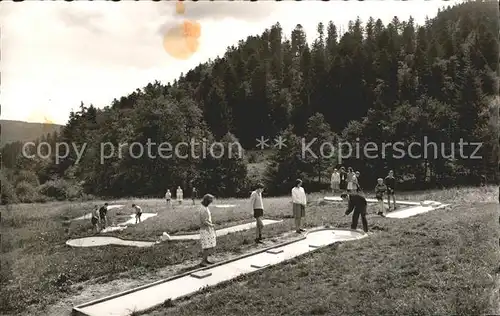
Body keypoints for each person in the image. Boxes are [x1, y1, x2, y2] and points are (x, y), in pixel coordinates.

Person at [199, 194, 216, 266]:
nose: (211, 203)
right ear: (207, 201)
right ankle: (203, 261)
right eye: (210, 201)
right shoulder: (203, 209)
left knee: (209, 245)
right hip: (205, 230)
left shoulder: (205, 208)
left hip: (208, 229)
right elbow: (204, 221)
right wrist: (211, 225)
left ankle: (206, 259)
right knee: (206, 246)